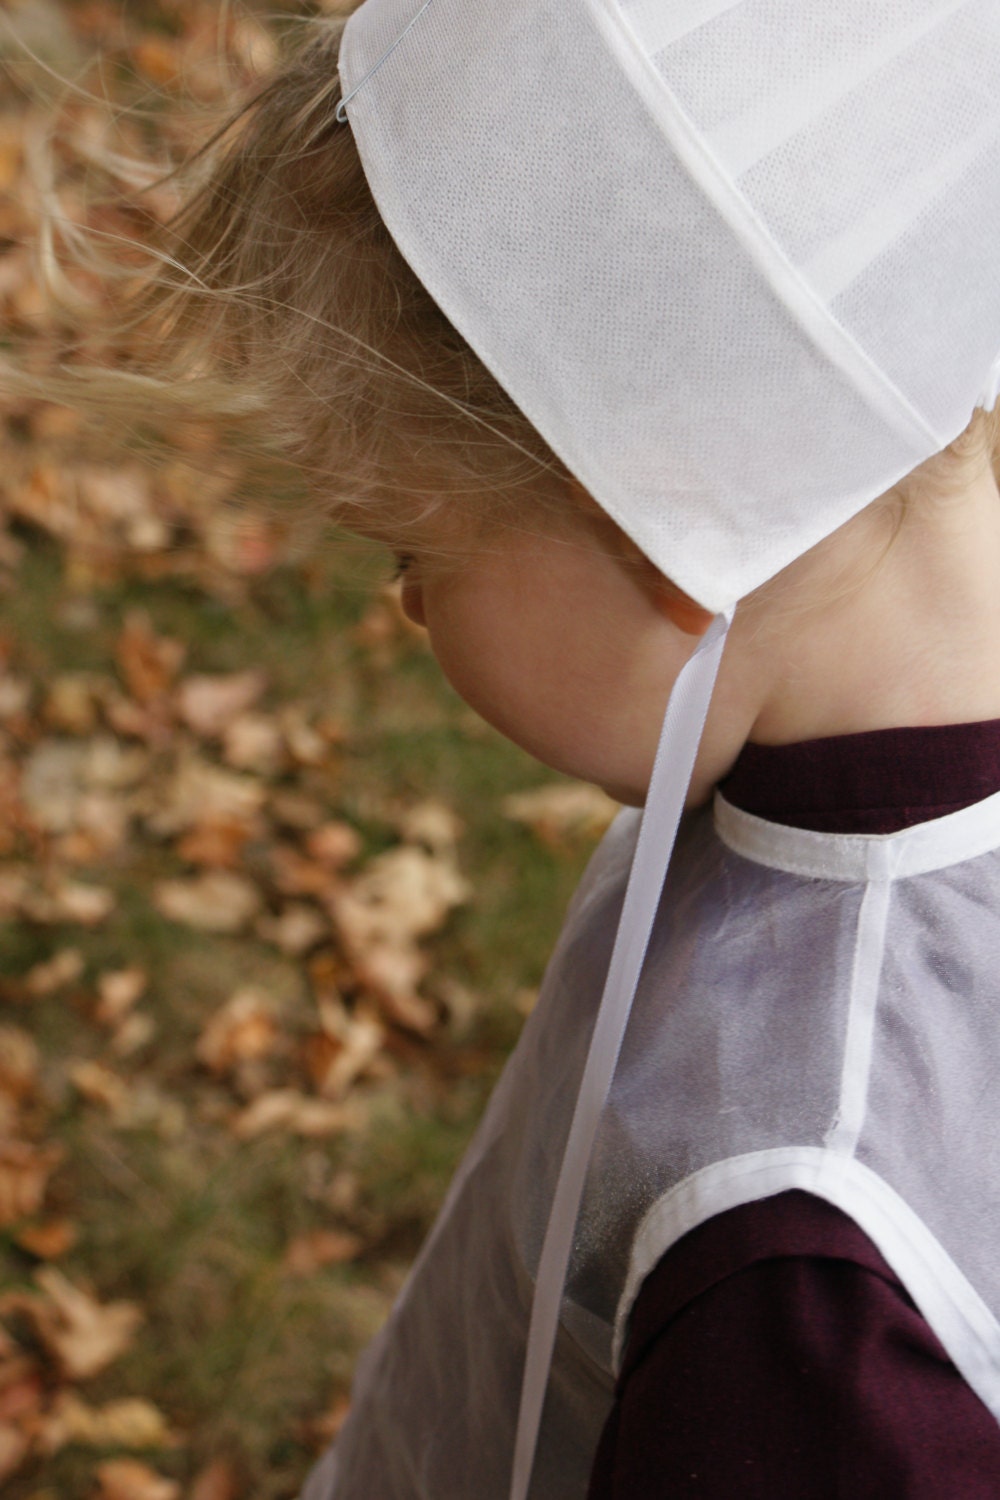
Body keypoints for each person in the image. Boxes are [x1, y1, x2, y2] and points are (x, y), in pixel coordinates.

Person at [37, 2, 1000, 1495]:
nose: (404, 602)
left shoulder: (810, 1304)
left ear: (670, 511)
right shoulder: (808, 769)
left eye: (410, 543)